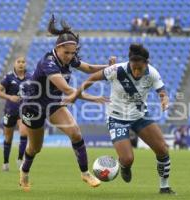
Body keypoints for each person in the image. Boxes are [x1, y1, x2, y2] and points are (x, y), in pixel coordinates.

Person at [19, 15, 116, 191]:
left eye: (73, 53)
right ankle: (24, 172)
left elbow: (88, 68)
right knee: (35, 148)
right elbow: (67, 90)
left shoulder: (70, 58)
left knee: (76, 133)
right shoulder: (48, 62)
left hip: (54, 103)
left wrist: (109, 67)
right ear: (57, 48)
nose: (70, 57)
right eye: (67, 53)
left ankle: (85, 173)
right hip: (33, 107)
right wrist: (93, 99)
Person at [71, 44, 176, 194]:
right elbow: (92, 78)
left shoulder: (152, 72)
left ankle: (164, 187)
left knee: (162, 149)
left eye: (140, 68)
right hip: (116, 118)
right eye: (133, 67)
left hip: (140, 116)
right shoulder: (117, 70)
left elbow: (162, 91)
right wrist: (76, 95)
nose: (136, 71)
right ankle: (125, 167)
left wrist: (164, 99)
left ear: (147, 63)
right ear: (129, 63)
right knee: (127, 159)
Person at [0, 56, 31, 171]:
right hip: (10, 111)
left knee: (24, 133)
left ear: (26, 64)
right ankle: (5, 162)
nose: (21, 64)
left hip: (24, 111)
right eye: (18, 62)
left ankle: (20, 159)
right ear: (15, 63)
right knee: (8, 138)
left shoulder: (30, 77)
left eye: (23, 62)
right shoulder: (9, 77)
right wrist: (10, 97)